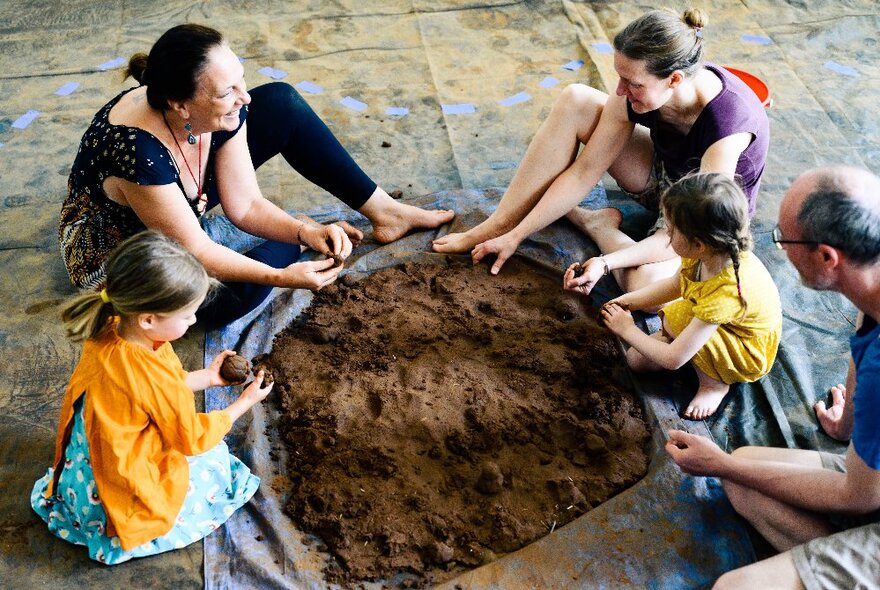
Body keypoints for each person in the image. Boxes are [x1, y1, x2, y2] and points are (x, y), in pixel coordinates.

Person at [59, 24, 454, 328]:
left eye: (241, 80)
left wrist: (302, 232)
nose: (244, 97)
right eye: (226, 91)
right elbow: (198, 252)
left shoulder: (217, 111)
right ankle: (283, 259)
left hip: (180, 199)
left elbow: (244, 205)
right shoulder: (137, 151)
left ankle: (386, 211)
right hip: (121, 253)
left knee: (279, 102)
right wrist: (283, 276)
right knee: (229, 297)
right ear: (180, 104)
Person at [433, 7, 768, 293]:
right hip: (664, 172)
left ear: (675, 80)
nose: (620, 91)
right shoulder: (645, 88)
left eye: (633, 84)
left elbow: (696, 230)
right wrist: (514, 235)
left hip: (698, 219)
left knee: (648, 287)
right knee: (577, 99)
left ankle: (599, 226)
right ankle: (497, 224)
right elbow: (584, 171)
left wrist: (606, 263)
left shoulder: (728, 126)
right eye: (619, 76)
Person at [666, 166, 880, 588]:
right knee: (741, 472)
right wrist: (849, 423)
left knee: (734, 586)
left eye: (783, 238)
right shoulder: (872, 283)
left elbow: (860, 497)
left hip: (868, 490)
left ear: (826, 257)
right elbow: (863, 335)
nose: (776, 248)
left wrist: (716, 462)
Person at [31, 230, 273, 564]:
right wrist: (243, 403)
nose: (193, 321)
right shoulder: (154, 376)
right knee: (216, 465)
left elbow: (148, 394)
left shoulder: (110, 327)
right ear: (148, 319)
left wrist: (207, 378)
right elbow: (191, 438)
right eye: (188, 315)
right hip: (123, 479)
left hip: (88, 458)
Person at [593, 173, 781, 419]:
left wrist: (627, 330)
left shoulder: (727, 291)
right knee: (636, 361)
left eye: (671, 233)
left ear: (699, 244)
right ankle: (690, 349)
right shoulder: (707, 255)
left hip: (743, 348)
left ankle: (714, 384)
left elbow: (673, 359)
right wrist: (627, 301)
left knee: (662, 341)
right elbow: (674, 286)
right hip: (714, 322)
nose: (667, 238)